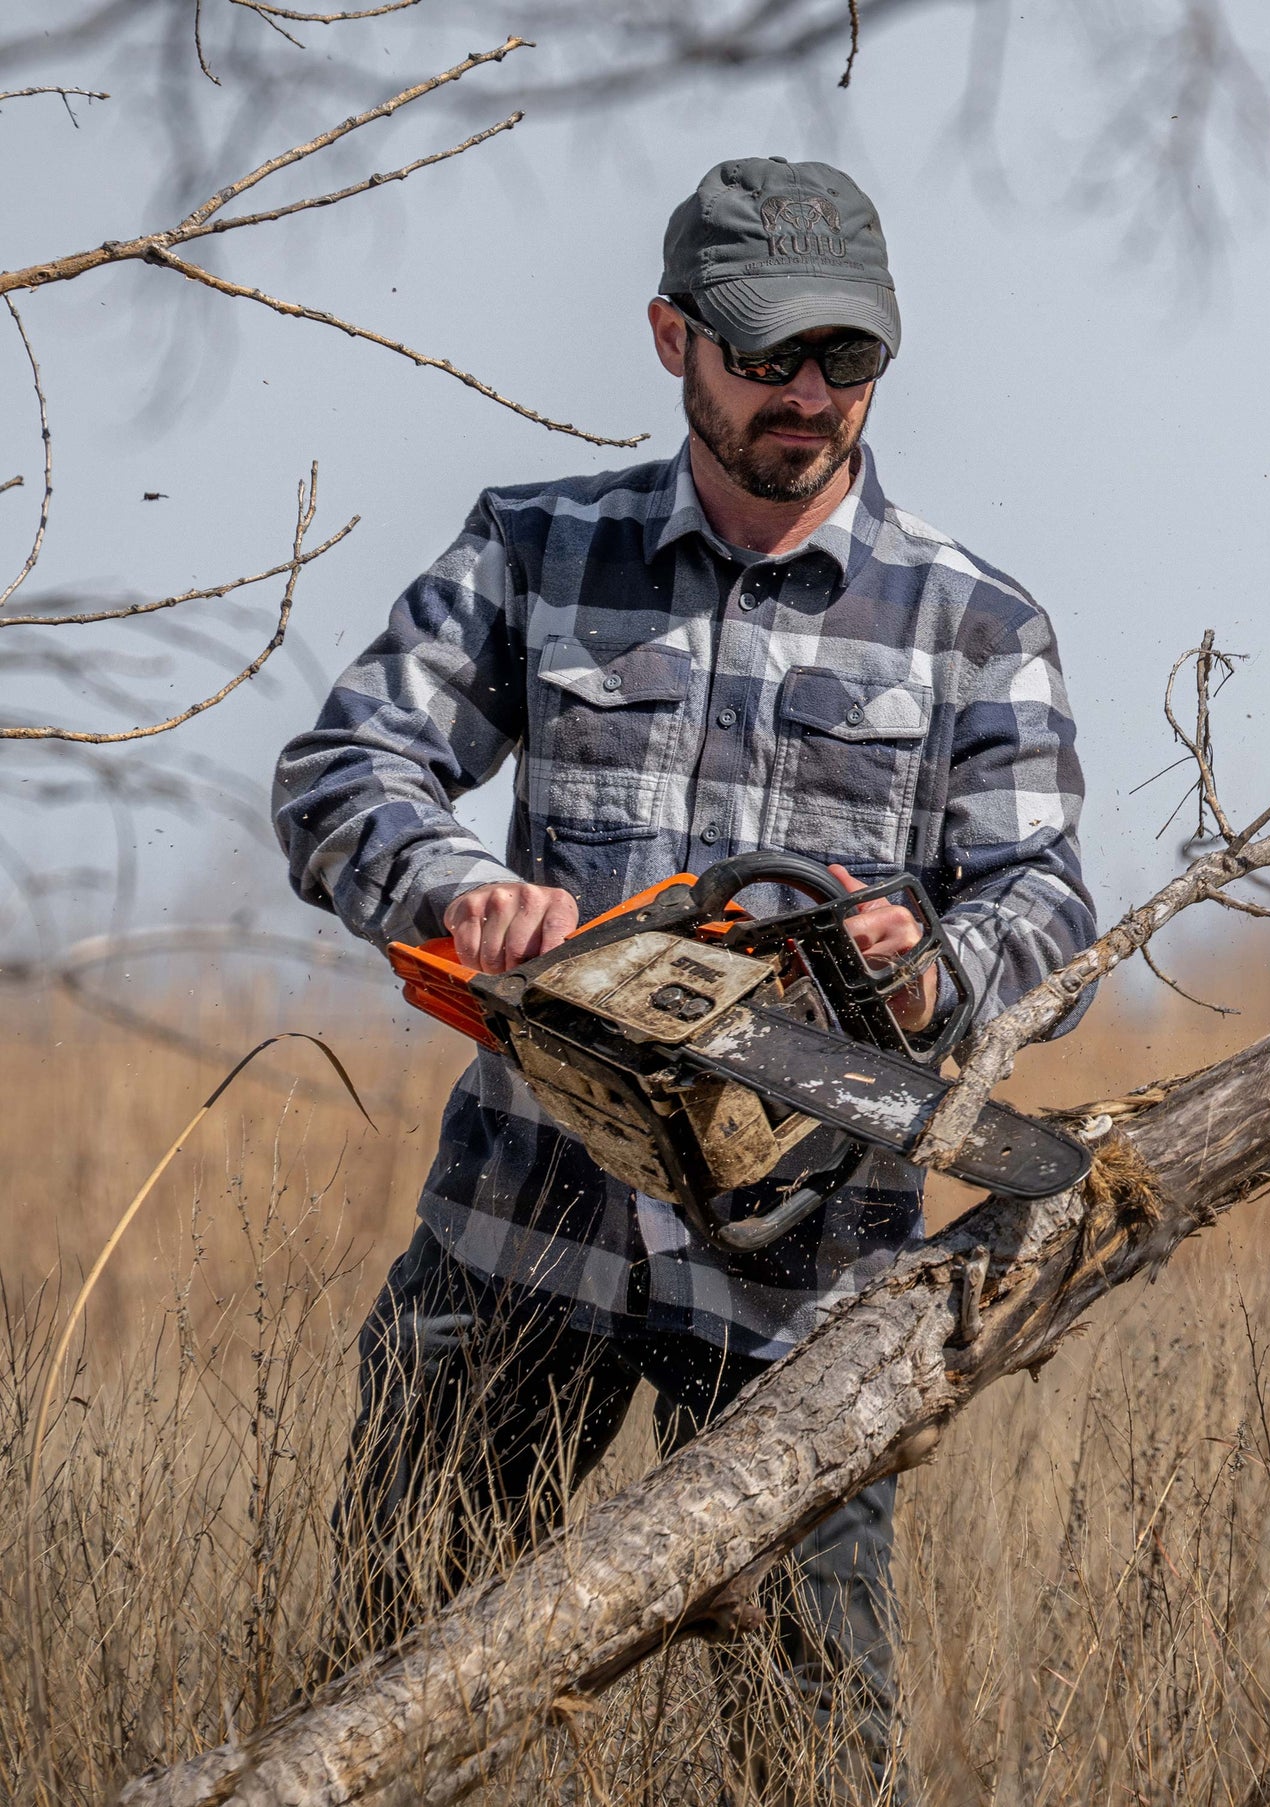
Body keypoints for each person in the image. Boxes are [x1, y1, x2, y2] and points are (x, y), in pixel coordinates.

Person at [273, 154, 1094, 1804]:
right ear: (672, 337)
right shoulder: (532, 550)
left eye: (844, 360)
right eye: (767, 356)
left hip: (809, 1297)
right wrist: (459, 890)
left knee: (811, 1765)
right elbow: (343, 772)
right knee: (379, 1710)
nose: (807, 395)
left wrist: (931, 972)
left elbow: (1051, 909)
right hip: (519, 1236)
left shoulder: (974, 624)